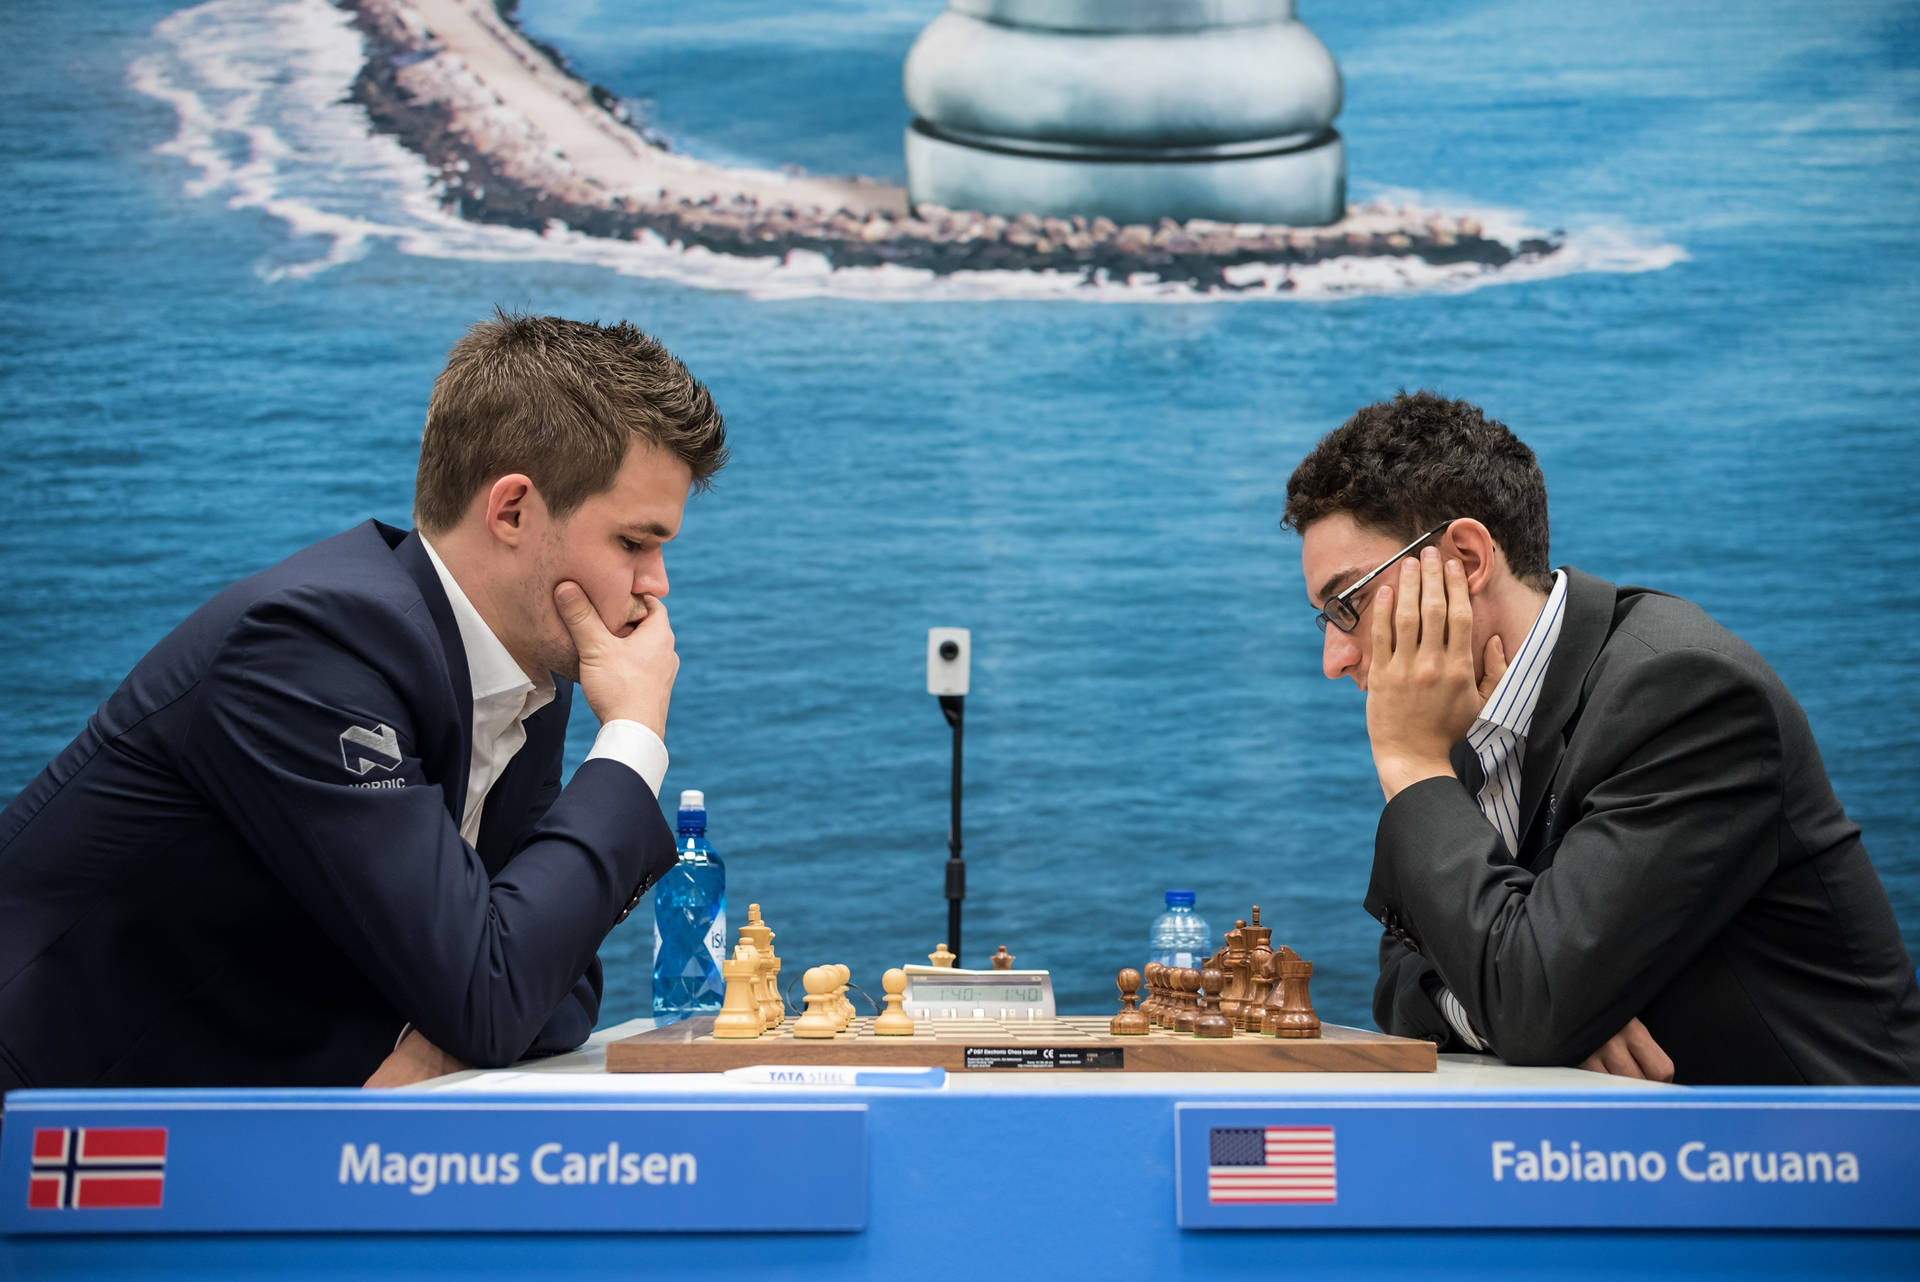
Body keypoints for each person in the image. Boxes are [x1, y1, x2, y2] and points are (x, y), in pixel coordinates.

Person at [0, 311, 727, 1090]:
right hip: (44, 1126)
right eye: (634, 542)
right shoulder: (308, 648)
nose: (657, 584)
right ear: (512, 510)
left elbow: (552, 982)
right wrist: (631, 737)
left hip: (208, 1135)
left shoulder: (524, 681)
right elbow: (498, 989)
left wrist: (459, 1016)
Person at [1283, 391, 1920, 1085]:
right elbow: (1402, 980)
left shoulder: (1685, 693)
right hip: (1636, 1160)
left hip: (1825, 1160)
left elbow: (1531, 1001)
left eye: (1348, 603)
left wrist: (1410, 765)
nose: (1335, 659)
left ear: (1465, 560)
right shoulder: (1464, 707)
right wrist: (1527, 1011)